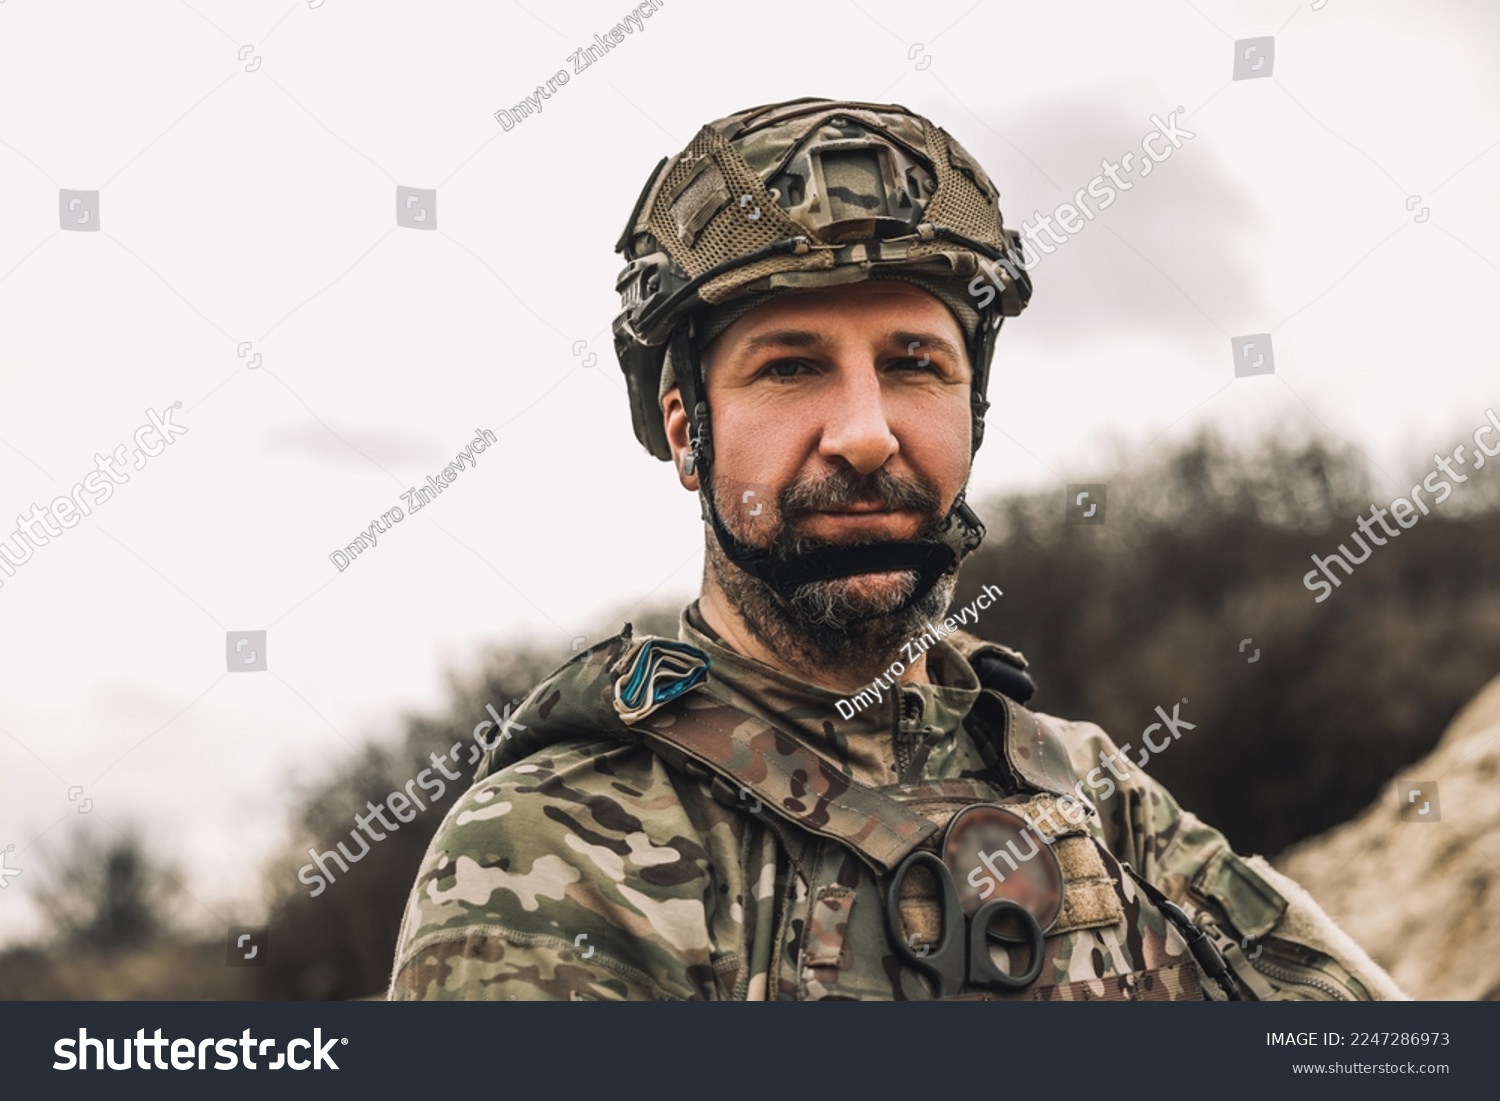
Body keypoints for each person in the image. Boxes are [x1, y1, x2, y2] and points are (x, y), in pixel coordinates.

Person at [388, 97, 1404, 1001]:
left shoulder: (1088, 789)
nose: (867, 433)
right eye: (791, 367)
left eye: (914, 364)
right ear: (689, 431)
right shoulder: (554, 845)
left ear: (974, 409)